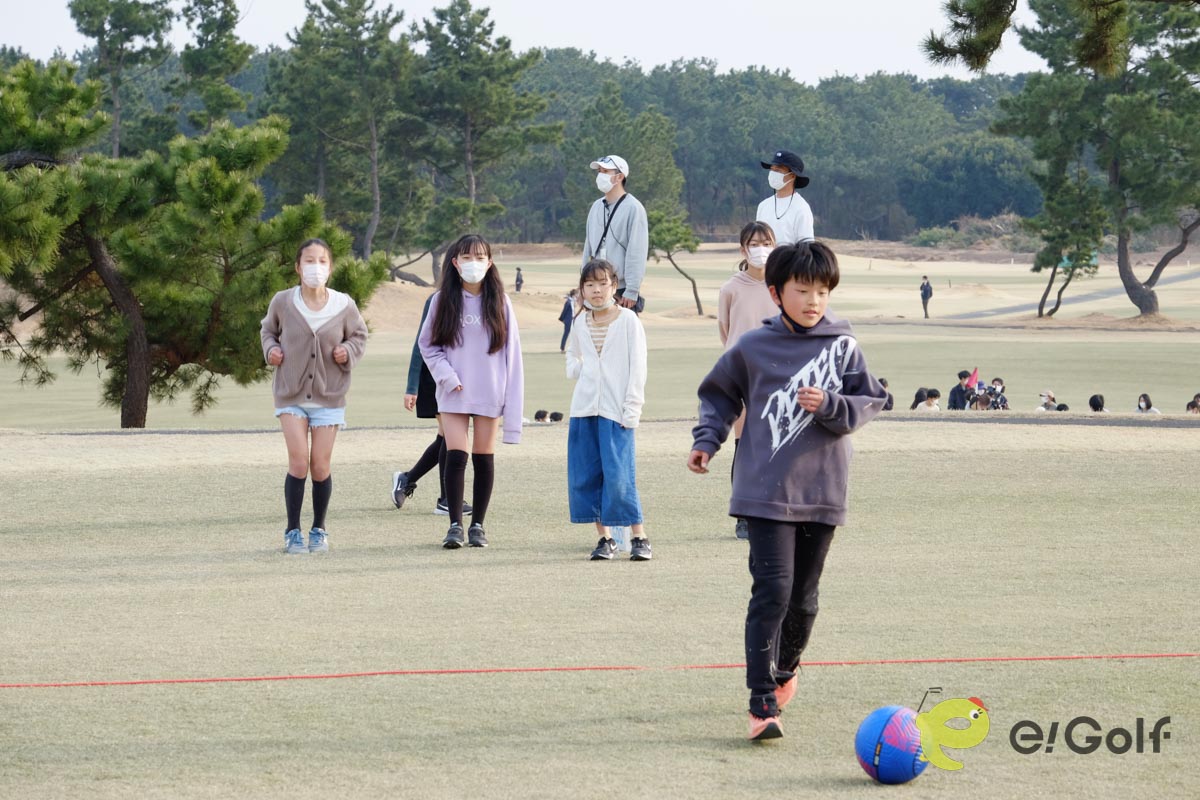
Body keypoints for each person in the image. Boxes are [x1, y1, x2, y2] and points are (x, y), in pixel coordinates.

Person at [688, 241, 888, 741]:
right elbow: (717, 394)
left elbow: (871, 401)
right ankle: (760, 705)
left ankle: (786, 670)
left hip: (822, 490)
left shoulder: (843, 345)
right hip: (763, 490)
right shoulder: (754, 347)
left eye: (822, 291)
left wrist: (832, 404)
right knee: (771, 591)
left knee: (804, 599)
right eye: (803, 290)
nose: (814, 300)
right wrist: (707, 442)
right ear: (777, 293)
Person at [260, 238, 368, 554]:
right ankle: (293, 531)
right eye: (309, 261)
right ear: (297, 267)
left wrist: (346, 351)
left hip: (329, 396)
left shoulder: (344, 305)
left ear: (330, 268)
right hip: (290, 394)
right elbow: (267, 331)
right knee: (298, 463)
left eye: (322, 261)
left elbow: (360, 336)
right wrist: (271, 350)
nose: (315, 267)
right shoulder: (282, 301)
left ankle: (319, 529)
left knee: (320, 465)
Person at [419, 234, 524, 549]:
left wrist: (513, 412)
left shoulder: (501, 301)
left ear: (489, 262)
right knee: (455, 455)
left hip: (490, 392)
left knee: (483, 457)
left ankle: (478, 524)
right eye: (466, 257)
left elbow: (513, 356)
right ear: (455, 262)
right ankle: (455, 525)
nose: (473, 263)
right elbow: (428, 345)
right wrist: (446, 376)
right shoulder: (441, 301)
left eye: (480, 257)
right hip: (453, 392)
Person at [566, 259, 651, 562]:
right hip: (584, 410)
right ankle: (605, 539)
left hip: (617, 411)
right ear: (583, 289)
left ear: (614, 286)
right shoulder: (579, 322)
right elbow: (572, 358)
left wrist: (633, 408)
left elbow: (638, 367)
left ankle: (640, 537)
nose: (597, 290)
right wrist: (581, 367)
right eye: (590, 284)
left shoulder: (628, 321)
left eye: (603, 283)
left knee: (619, 475)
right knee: (587, 476)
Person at [718, 221, 780, 540]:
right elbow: (725, 331)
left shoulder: (782, 285)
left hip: (776, 375)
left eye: (765, 242)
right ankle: (743, 515)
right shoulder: (731, 287)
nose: (760, 249)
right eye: (753, 243)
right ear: (743, 249)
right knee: (745, 446)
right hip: (741, 373)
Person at [390, 293, 474, 517]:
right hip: (436, 374)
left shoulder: (478, 297)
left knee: (446, 436)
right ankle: (446, 499)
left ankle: (407, 479)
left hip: (461, 374)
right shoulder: (438, 298)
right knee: (451, 436)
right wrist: (411, 386)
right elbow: (421, 343)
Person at [582, 155, 648, 312]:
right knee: (596, 333)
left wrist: (632, 290)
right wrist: (584, 283)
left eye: (605, 171)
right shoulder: (596, 207)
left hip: (621, 290)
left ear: (619, 176)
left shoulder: (634, 208)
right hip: (596, 285)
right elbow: (588, 247)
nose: (600, 175)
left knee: (623, 334)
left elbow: (636, 251)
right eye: (599, 171)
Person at [756, 150, 814, 246]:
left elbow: (806, 248)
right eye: (772, 169)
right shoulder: (763, 206)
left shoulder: (801, 208)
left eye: (778, 170)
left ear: (792, 175)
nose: (773, 173)